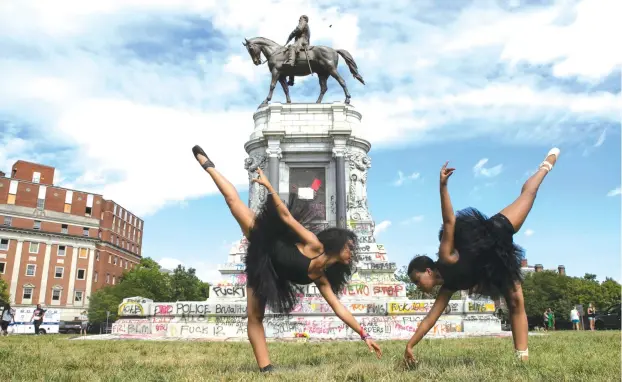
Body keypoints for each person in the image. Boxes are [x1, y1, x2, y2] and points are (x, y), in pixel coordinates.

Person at [191, 145, 382, 373]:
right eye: (350, 246)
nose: (353, 252)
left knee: (255, 316)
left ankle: (266, 369)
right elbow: (287, 217)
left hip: (265, 269)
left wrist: (365, 335)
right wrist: (269, 187)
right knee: (232, 201)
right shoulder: (314, 244)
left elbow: (339, 309)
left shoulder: (321, 279)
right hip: (265, 237)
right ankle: (209, 166)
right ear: (338, 244)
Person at [404, 148, 560, 363]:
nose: (417, 285)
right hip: (493, 266)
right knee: (515, 302)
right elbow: (431, 318)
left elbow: (450, 221)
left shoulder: (446, 256)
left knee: (528, 195)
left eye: (416, 279)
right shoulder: (447, 288)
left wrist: (443, 186)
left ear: (428, 270)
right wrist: (410, 345)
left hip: (496, 231)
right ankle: (523, 360)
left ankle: (545, 166)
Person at [284, 15, 311, 86]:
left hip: (302, 41)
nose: (299, 20)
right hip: (302, 40)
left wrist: (290, 36)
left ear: (304, 19)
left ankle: (290, 62)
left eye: (300, 18)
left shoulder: (303, 22)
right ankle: (291, 80)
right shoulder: (306, 24)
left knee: (292, 47)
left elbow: (298, 29)